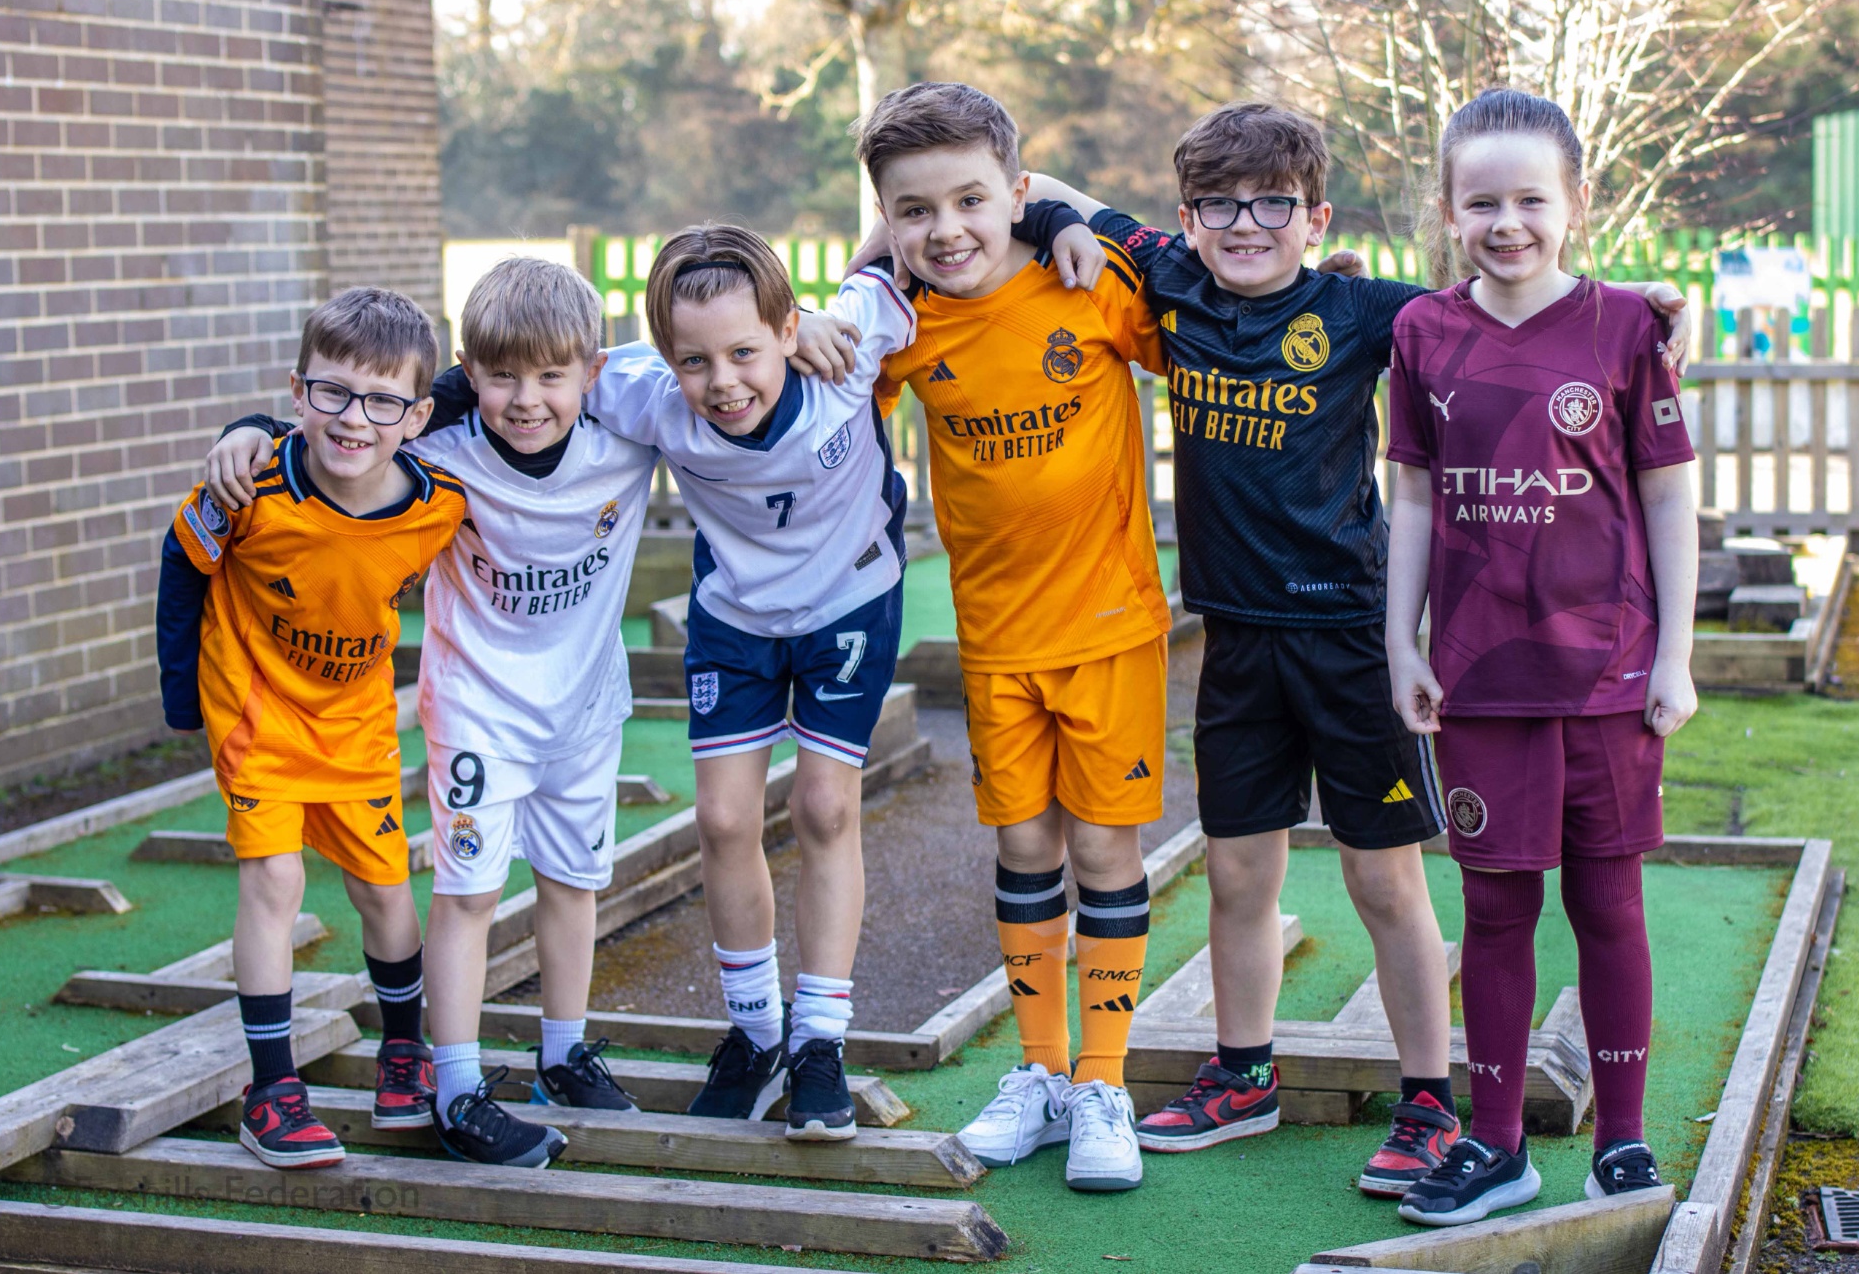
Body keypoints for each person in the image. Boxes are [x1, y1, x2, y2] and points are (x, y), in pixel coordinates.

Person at [1022, 102, 1693, 1193]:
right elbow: (1033, 171)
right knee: (1238, 869)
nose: (1247, 226)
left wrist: (1659, 306)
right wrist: (1053, 220)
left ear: (1313, 213)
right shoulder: (1166, 277)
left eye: (1272, 205)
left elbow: (1512, 298)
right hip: (1235, 637)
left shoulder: (1377, 311)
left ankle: (1429, 1100)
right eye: (1220, 207)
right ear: (1185, 217)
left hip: (1347, 634)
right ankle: (1242, 1073)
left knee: (1385, 880)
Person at [201, 258, 667, 1168]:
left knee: (575, 881)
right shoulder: (439, 448)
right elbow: (349, 422)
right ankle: (454, 1088)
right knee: (467, 892)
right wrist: (251, 427)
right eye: (501, 377)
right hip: (479, 708)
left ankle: (563, 1055)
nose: (526, 398)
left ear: (592, 371)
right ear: (469, 372)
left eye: (550, 377)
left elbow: (717, 364)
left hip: (586, 705)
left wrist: (803, 328)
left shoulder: (630, 427)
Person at [1385, 86, 1699, 1226]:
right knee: (1496, 911)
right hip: (1476, 681)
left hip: (1609, 675)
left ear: (1573, 203)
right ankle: (1497, 1143)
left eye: (1528, 198)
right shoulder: (1421, 332)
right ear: (1448, 210)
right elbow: (1412, 495)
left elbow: (1666, 497)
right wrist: (1399, 643)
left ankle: (1622, 1139)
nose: (1504, 221)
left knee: (1608, 904)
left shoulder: (1627, 326)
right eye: (1480, 201)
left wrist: (1675, 653)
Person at [853, 81, 1170, 1192]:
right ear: (885, 221)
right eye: (914, 211)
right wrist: (858, 270)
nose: (945, 230)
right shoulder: (898, 319)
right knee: (1024, 851)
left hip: (1109, 629)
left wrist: (1066, 220)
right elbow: (813, 358)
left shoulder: (1087, 282)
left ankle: (1102, 1083)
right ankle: (1037, 1079)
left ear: (1016, 196)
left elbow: (1201, 307)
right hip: (990, 643)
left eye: (971, 202)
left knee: (1101, 851)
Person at [583, 225, 917, 1140]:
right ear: (664, 358)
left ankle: (820, 1043)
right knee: (724, 818)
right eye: (694, 360)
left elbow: (899, 248)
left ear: (781, 330)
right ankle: (755, 1033)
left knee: (824, 806)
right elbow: (526, 364)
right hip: (734, 616)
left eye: (743, 351)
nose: (723, 380)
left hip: (849, 598)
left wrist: (813, 312)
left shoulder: (841, 352)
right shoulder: (650, 395)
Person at [157, 287, 466, 1169]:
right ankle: (272, 1089)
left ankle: (404, 1053)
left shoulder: (439, 501)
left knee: (382, 887)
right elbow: (181, 565)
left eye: (380, 402)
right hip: (255, 712)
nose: (352, 418)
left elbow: (502, 392)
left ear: (416, 415)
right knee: (275, 882)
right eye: (330, 393)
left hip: (358, 718)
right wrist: (185, 700)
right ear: (298, 394)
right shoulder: (246, 483)